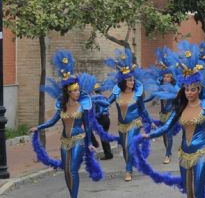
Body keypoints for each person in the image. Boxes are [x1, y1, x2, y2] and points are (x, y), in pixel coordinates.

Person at [142, 42, 205, 198]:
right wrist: (149, 135)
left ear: (199, 89)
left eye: (193, 89)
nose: (189, 93)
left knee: (199, 191)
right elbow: (166, 127)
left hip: (204, 151)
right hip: (184, 153)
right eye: (186, 89)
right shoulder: (180, 107)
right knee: (188, 191)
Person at [30, 51, 102, 198]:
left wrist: (89, 143)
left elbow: (87, 127)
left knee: (73, 170)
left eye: (77, 90)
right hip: (64, 142)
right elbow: (53, 121)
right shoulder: (62, 106)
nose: (77, 93)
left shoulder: (83, 105)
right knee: (67, 171)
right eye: (74, 91)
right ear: (68, 92)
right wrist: (39, 127)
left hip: (79, 141)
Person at [105, 49, 156, 181]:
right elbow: (106, 103)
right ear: (123, 82)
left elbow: (143, 110)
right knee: (124, 147)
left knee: (129, 145)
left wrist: (150, 122)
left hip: (134, 122)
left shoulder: (137, 94)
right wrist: (96, 104)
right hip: (122, 125)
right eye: (129, 80)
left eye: (133, 80)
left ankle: (128, 171)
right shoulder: (116, 93)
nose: (132, 82)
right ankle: (130, 164)